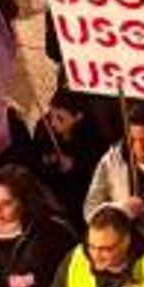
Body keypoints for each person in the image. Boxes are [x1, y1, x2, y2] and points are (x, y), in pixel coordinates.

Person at [82, 101, 144, 239]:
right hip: (126, 243)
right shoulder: (112, 160)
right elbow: (90, 210)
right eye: (133, 139)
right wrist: (119, 209)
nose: (139, 147)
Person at [30, 88, 108, 229]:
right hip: (53, 206)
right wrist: (47, 161)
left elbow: (99, 179)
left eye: (60, 118)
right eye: (51, 116)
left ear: (78, 116)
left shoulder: (94, 142)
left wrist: (76, 165)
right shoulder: (44, 133)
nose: (53, 123)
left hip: (82, 209)